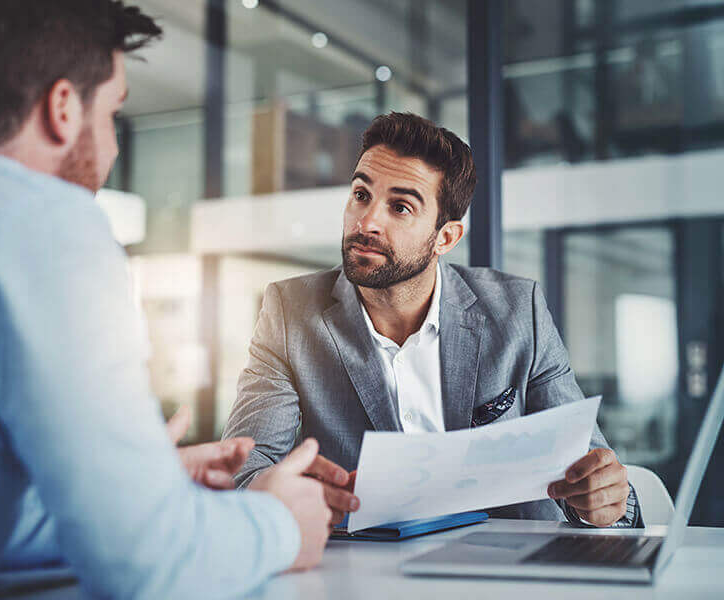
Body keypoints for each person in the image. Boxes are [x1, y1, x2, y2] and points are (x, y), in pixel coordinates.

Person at [0, 1, 330, 598]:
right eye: (114, 111)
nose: (112, 149)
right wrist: (279, 523)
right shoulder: (39, 218)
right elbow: (148, 564)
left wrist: (137, 488)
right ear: (63, 108)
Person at [223, 112, 642, 530]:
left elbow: (593, 472)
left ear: (446, 237)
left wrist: (605, 499)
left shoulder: (518, 311)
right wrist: (278, 490)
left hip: (510, 567)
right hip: (367, 571)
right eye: (361, 195)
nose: (367, 222)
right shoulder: (290, 311)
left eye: (400, 207)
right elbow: (245, 465)